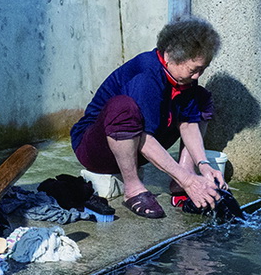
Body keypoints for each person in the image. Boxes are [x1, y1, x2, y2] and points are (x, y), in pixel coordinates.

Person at [71, 17, 225, 218]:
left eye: (202, 69)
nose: (197, 76)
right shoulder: (146, 75)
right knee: (123, 109)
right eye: (193, 69)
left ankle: (179, 184)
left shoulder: (183, 79)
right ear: (170, 56)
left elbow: (188, 123)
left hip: (136, 146)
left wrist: (203, 167)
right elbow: (144, 138)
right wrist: (190, 181)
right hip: (96, 149)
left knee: (201, 98)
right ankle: (133, 188)